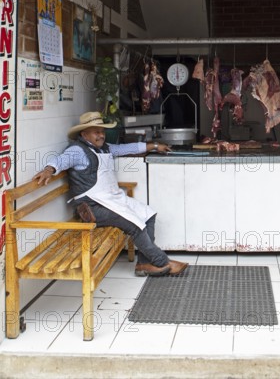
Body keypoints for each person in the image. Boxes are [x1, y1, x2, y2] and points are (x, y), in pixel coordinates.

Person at [33, 111, 188, 277]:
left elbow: (124, 149)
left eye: (102, 131)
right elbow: (62, 159)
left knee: (148, 215)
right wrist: (49, 169)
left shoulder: (104, 148)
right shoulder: (77, 150)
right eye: (96, 132)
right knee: (135, 225)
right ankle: (162, 262)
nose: (101, 135)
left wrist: (154, 146)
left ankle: (144, 264)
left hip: (111, 200)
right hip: (91, 207)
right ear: (84, 134)